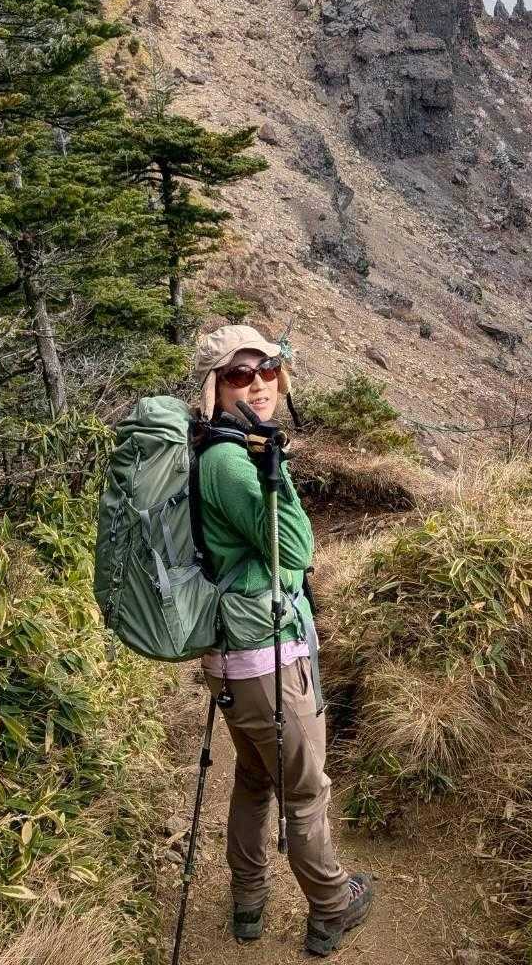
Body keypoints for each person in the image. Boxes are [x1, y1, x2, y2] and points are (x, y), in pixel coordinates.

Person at [192, 325, 374, 956]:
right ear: (214, 387)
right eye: (239, 375)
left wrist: (264, 450)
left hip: (237, 658)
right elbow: (296, 548)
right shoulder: (228, 461)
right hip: (268, 657)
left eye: (267, 369)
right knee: (305, 791)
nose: (258, 384)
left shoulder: (224, 448)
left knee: (253, 778)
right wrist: (276, 466)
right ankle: (332, 904)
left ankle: (248, 901)